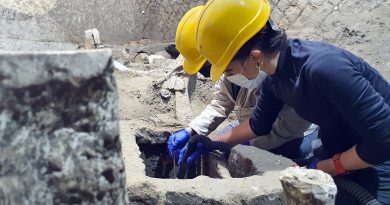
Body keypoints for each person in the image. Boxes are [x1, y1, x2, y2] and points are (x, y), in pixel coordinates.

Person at [186, 0, 390, 203]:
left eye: (229, 70)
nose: (229, 77)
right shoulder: (275, 80)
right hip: (341, 145)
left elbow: (383, 139)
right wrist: (210, 143)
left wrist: (325, 167)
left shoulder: (323, 68)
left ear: (254, 56)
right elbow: (258, 125)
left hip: (378, 157)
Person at [168, 6, 319, 167]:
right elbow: (221, 104)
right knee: (217, 150)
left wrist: (232, 143)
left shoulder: (285, 74)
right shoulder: (234, 68)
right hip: (251, 126)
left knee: (232, 157)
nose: (218, 73)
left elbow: (285, 129)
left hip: (291, 137)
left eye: (208, 67)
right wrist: (193, 130)